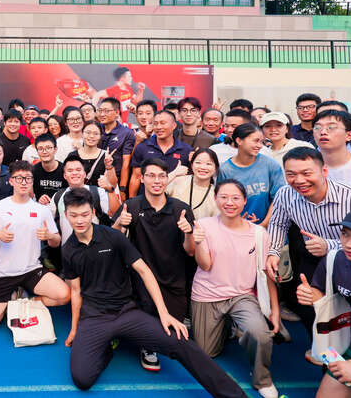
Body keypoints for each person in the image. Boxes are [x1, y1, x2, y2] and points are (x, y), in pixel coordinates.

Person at [60, 188, 246, 396]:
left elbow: (144, 271)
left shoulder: (113, 237)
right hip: (95, 317)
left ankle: (235, 395)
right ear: (66, 215)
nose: (79, 220)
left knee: (180, 341)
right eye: (74, 215)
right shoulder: (68, 250)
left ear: (93, 212)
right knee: (82, 378)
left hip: (126, 312)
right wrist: (74, 329)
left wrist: (164, 314)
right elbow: (75, 291)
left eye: (84, 214)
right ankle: (106, 349)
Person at [267, 147, 351, 340]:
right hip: (312, 258)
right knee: (309, 306)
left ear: (324, 171)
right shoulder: (285, 194)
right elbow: (278, 223)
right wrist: (273, 252)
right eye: (291, 174)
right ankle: (323, 349)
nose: (299, 180)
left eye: (306, 173)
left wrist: (329, 245)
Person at [188, 180, 281, 398]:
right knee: (207, 352)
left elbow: (265, 274)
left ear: (245, 201)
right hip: (207, 294)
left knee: (260, 334)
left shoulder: (259, 233)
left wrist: (275, 311)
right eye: (224, 197)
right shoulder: (203, 225)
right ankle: (229, 326)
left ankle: (262, 379)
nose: (229, 202)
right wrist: (198, 242)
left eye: (235, 198)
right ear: (215, 199)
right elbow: (205, 265)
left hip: (242, 296)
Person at [112, 158, 194, 371]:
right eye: (151, 175)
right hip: (140, 281)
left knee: (175, 334)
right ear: (141, 178)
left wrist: (188, 233)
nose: (157, 181)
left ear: (167, 179)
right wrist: (120, 224)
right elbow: (112, 242)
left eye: (161, 176)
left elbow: (191, 251)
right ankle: (146, 344)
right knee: (146, 324)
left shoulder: (181, 209)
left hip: (173, 280)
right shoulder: (131, 206)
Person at [0, 161, 70, 335]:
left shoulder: (41, 210)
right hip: (3, 273)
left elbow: (56, 241)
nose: (24, 182)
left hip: (31, 270)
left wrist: (49, 236)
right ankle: (11, 299)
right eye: (19, 178)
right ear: (11, 181)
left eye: (28, 178)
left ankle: (23, 301)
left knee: (64, 295)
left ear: (33, 181)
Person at [298, 208, 351, 398]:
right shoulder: (336, 260)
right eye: (345, 234)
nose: (349, 244)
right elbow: (321, 292)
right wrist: (311, 296)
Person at [218, 123, 285, 225]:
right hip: (237, 227)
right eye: (255, 141)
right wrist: (239, 223)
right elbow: (223, 202)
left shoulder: (270, 164)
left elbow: (279, 199)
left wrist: (264, 225)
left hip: (270, 226)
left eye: (261, 142)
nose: (259, 146)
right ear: (239, 141)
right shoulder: (226, 169)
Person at [50, 154, 116, 242]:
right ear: (65, 176)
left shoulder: (98, 192)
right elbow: (50, 223)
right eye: (70, 170)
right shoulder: (58, 196)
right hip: (68, 247)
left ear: (84, 174)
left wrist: (111, 190)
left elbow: (115, 213)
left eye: (78, 170)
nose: (74, 173)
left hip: (95, 246)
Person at [130, 110, 191, 197]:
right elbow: (136, 177)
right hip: (146, 199)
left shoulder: (186, 150)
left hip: (175, 199)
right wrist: (131, 201)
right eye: (155, 124)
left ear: (174, 125)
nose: (158, 127)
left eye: (163, 123)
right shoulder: (142, 147)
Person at [97, 97, 135, 201]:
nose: (102, 114)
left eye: (106, 111)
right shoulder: (95, 129)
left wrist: (122, 189)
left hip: (114, 181)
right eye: (100, 110)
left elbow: (126, 163)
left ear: (117, 112)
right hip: (95, 181)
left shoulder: (126, 133)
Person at [166, 147, 221, 220]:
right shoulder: (178, 181)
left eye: (208, 164)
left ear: (216, 168)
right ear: (192, 165)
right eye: (198, 163)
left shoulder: (216, 195)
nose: (203, 167)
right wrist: (174, 174)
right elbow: (154, 191)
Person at [76, 121, 112, 189]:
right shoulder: (73, 156)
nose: (91, 136)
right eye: (88, 132)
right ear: (82, 134)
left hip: (99, 194)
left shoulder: (106, 156)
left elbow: (113, 184)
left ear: (100, 136)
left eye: (96, 133)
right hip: (77, 194)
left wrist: (109, 166)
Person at [32, 134, 67, 203]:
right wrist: (38, 199)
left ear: (55, 149)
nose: (44, 152)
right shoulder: (33, 171)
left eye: (48, 148)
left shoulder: (65, 170)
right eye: (40, 149)